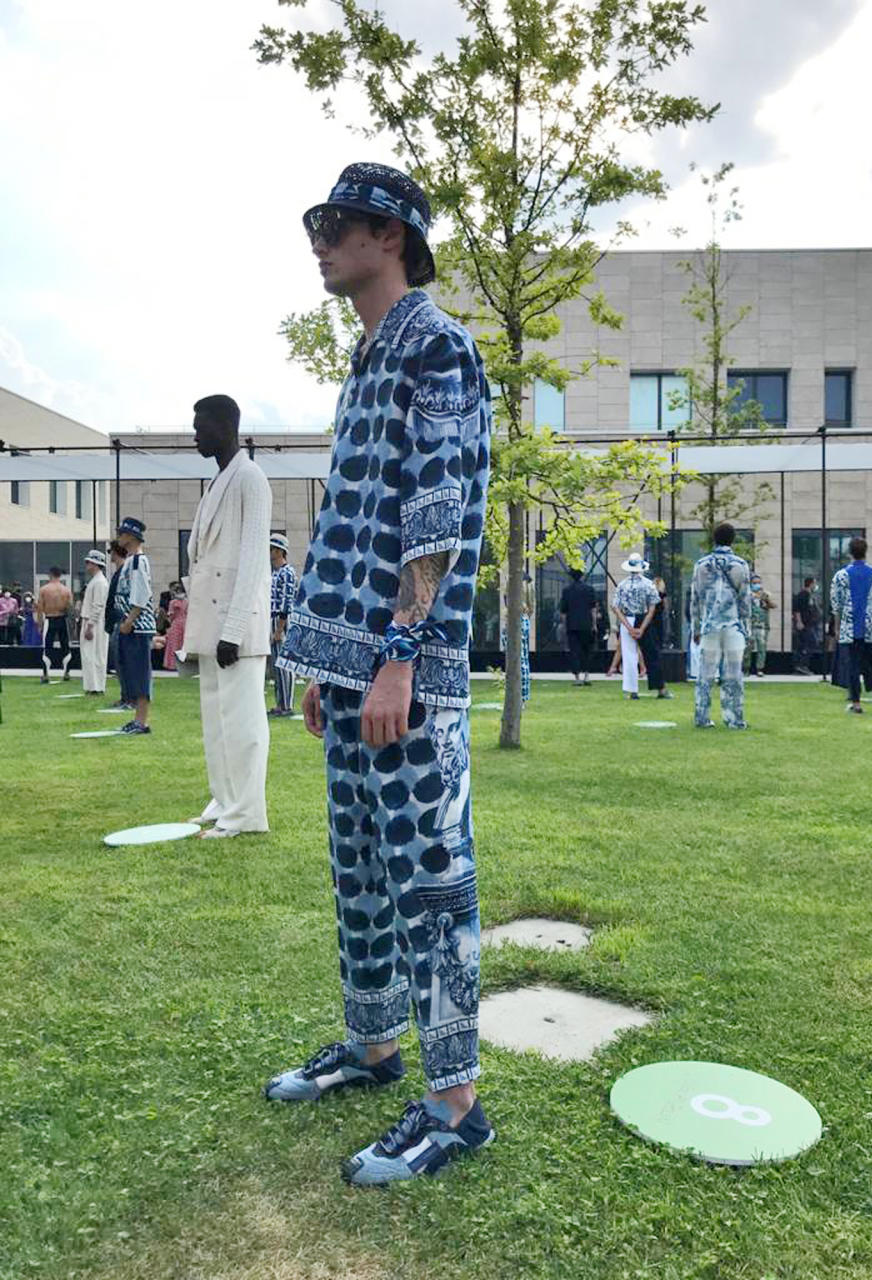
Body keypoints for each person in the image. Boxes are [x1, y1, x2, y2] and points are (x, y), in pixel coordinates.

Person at [265, 162, 494, 1185]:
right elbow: (353, 518)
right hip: (354, 673)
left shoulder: (436, 344)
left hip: (413, 674)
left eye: (339, 224)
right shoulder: (366, 357)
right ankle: (371, 1045)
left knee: (429, 883)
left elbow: (437, 512)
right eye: (318, 223)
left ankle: (454, 1103)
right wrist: (328, 660)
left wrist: (400, 653)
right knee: (359, 874)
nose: (321, 240)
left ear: (392, 236)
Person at [182, 395, 272, 837]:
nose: (195, 433)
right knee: (216, 721)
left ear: (225, 425)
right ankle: (224, 798)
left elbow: (255, 559)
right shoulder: (218, 482)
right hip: (210, 626)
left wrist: (233, 630)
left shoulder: (251, 478)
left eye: (200, 425)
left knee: (242, 724)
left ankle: (247, 813)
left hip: (237, 627)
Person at [691, 523, 751, 729]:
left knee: (705, 673)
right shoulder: (740, 565)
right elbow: (745, 600)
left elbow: (695, 599)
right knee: (733, 673)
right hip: (733, 625)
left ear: (714, 539)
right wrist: (747, 628)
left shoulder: (701, 564)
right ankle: (734, 718)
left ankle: (702, 716)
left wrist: (695, 627)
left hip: (709, 625)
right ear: (732, 539)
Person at [829, 537, 872, 715]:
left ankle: (856, 703)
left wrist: (838, 628)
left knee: (853, 666)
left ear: (850, 553)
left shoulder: (841, 576)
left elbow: (836, 605)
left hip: (850, 626)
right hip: (871, 627)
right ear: (866, 551)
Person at [113, 518, 156, 735]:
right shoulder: (131, 561)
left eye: (122, 533)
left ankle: (141, 721)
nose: (119, 536)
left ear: (131, 536)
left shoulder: (139, 561)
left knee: (140, 674)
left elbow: (141, 594)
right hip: (131, 624)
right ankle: (137, 718)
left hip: (137, 627)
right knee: (131, 672)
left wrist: (130, 620)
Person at [612, 552, 657, 700]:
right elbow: (652, 607)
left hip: (628, 619)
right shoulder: (648, 584)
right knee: (650, 653)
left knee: (629, 655)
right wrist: (642, 627)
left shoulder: (622, 585)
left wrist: (628, 626)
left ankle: (632, 690)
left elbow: (616, 608)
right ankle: (659, 686)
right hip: (642, 618)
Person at [268, 534, 298, 717]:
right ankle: (280, 703)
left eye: (272, 549)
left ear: (279, 551)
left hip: (282, 621)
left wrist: (279, 629)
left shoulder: (287, 573)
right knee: (277, 666)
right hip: (273, 619)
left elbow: (287, 603)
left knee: (284, 664)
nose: (269, 552)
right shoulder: (275, 573)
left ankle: (286, 705)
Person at [104, 540, 132, 709]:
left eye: (111, 551)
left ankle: (128, 698)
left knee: (123, 662)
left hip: (120, 621)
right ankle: (125, 696)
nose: (110, 555)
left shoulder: (123, 573)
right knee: (119, 662)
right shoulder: (119, 573)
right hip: (116, 621)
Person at [78, 550, 109, 695]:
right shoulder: (95, 581)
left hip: (94, 623)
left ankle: (96, 687)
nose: (87, 565)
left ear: (96, 564)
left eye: (89, 563)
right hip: (91, 621)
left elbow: (98, 605)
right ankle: (92, 686)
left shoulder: (100, 583)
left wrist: (90, 625)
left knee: (95, 655)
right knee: (89, 655)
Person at [559, 568, 597, 686]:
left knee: (574, 651)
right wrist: (594, 624)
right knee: (587, 650)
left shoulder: (567, 591)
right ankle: (586, 676)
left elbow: (563, 611)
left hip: (572, 625)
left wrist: (565, 626)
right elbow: (593, 609)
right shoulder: (589, 590)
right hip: (587, 624)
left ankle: (577, 677)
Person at [36, 567, 74, 683]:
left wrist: (40, 625)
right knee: (65, 646)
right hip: (62, 619)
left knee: (47, 647)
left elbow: (40, 608)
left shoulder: (44, 590)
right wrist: (71, 625)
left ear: (50, 575)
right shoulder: (66, 590)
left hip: (50, 619)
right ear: (60, 575)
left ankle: (46, 674)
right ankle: (67, 672)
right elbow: (70, 608)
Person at [744, 573, 775, 676]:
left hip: (763, 626)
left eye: (759, 583)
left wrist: (766, 600)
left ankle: (760, 669)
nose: (757, 585)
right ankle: (746, 668)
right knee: (748, 648)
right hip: (750, 625)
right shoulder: (747, 595)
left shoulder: (765, 594)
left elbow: (773, 605)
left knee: (762, 648)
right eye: (754, 583)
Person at [793, 576, 821, 675]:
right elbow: (797, 610)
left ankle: (803, 665)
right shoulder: (803, 595)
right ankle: (802, 665)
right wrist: (799, 622)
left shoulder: (811, 595)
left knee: (810, 644)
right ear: (810, 584)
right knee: (810, 643)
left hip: (811, 624)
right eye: (815, 583)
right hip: (805, 625)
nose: (816, 585)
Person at [162, 582, 188, 671]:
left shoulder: (175, 602)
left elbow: (171, 615)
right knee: (176, 644)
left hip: (178, 623)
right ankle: (175, 664)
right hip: (182, 623)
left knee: (176, 644)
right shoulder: (183, 601)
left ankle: (173, 664)